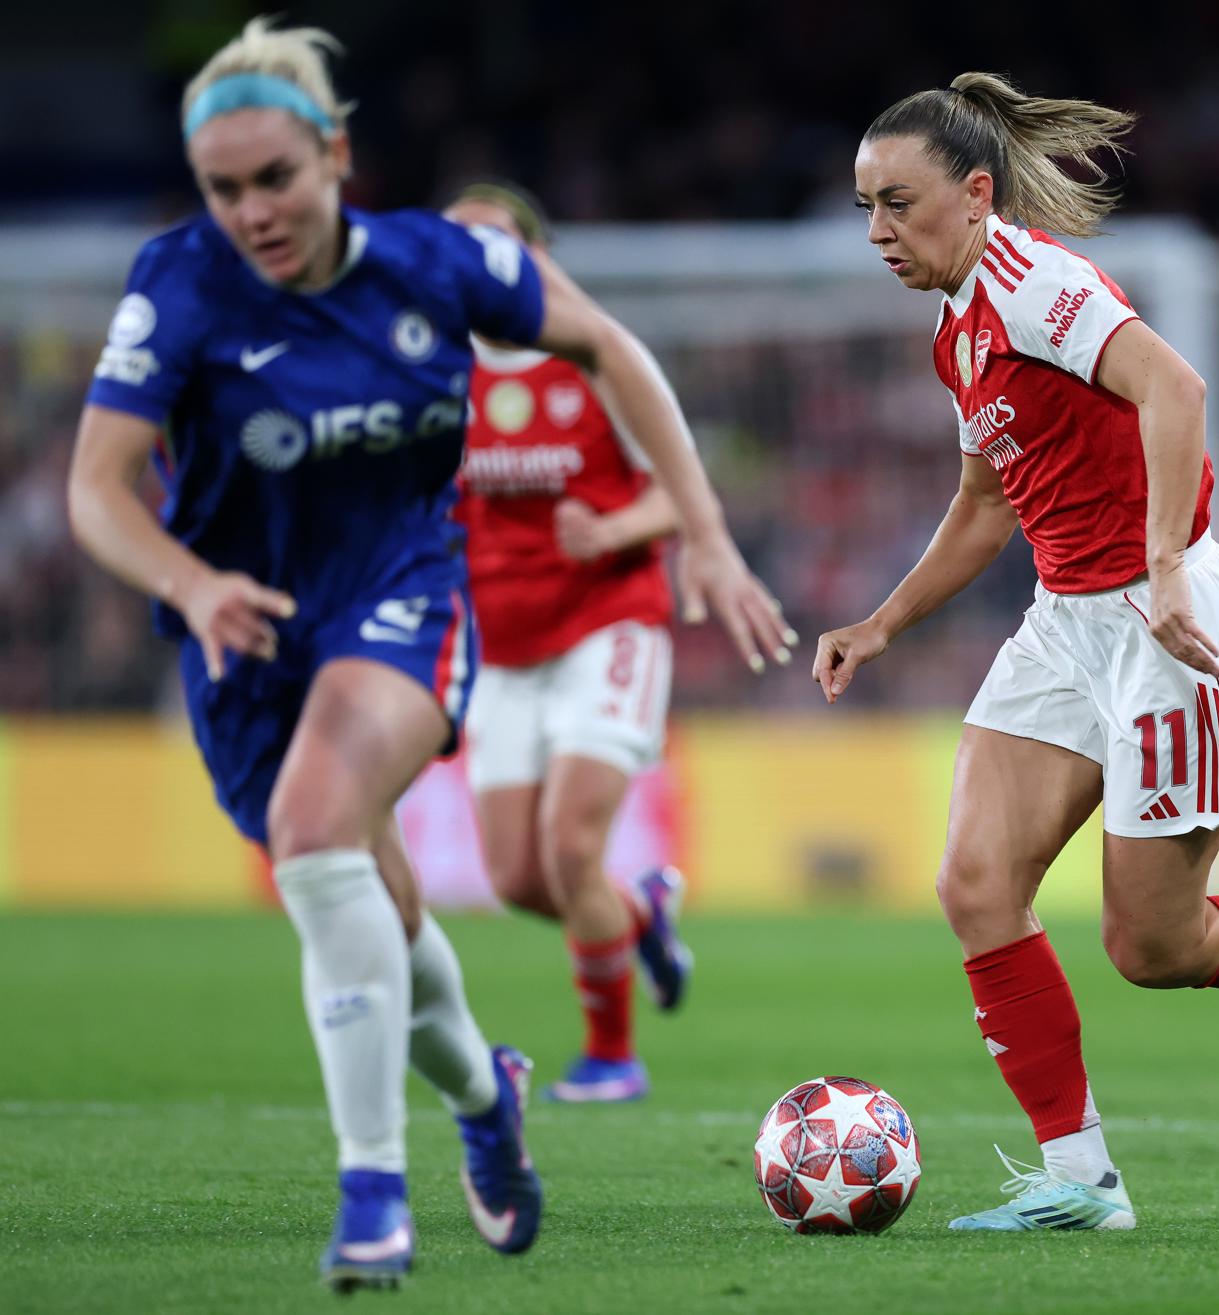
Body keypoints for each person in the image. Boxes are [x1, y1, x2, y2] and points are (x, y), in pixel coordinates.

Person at [66, 18, 791, 1292]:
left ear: (337, 153)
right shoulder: (175, 283)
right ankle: (484, 1092)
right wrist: (188, 579)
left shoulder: (440, 264)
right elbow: (97, 488)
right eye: (223, 189)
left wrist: (709, 535)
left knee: (315, 826)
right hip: (243, 628)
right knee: (372, 899)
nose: (251, 212)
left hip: (403, 604)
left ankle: (371, 1196)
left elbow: (610, 345)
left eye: (275, 179)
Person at [817, 73, 1219, 1234]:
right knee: (975, 885)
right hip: (1069, 620)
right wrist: (883, 621)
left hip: (1174, 620)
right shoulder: (960, 331)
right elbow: (982, 503)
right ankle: (1080, 1179)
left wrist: (1163, 564)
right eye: (865, 207)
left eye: (896, 204)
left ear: (973, 194)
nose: (877, 232)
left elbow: (1176, 384)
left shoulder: (1032, 282)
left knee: (1155, 946)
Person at [443, 181, 693, 1105]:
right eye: (457, 246)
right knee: (515, 876)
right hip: (502, 648)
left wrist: (620, 530)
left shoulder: (593, 356)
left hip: (607, 623)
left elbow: (683, 488)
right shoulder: (433, 368)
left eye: (497, 245)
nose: (477, 264)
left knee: (569, 846)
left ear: (537, 258)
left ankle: (611, 1054)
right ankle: (645, 915)